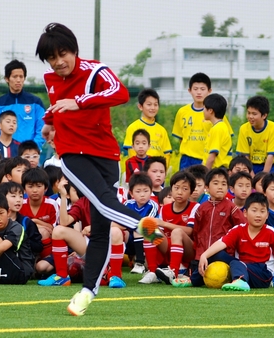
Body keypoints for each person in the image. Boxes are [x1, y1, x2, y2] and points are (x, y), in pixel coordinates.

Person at [36, 22, 162, 316]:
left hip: (106, 155)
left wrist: (77, 102)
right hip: (72, 154)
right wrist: (49, 122)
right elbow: (58, 107)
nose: (58, 62)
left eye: (62, 54)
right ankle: (145, 227)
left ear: (74, 50)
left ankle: (87, 292)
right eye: (51, 58)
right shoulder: (49, 79)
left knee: (102, 227)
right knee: (106, 204)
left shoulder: (95, 71)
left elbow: (121, 93)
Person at [199, 192, 274, 291]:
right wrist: (204, 255)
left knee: (236, 264)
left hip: (263, 274)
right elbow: (222, 243)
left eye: (262, 211)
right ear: (245, 213)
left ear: (267, 215)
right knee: (215, 254)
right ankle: (194, 280)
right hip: (242, 266)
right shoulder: (238, 229)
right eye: (254, 211)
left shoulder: (272, 233)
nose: (258, 215)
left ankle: (240, 281)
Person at [37, 180, 127, 288]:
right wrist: (63, 196)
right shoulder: (83, 202)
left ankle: (115, 276)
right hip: (91, 245)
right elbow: (64, 222)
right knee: (58, 231)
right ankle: (62, 276)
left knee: (115, 231)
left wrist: (94, 228)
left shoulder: (110, 200)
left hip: (109, 244)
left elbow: (124, 224)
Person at [190, 168, 246, 287]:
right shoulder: (201, 208)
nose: (220, 187)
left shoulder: (231, 207)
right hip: (203, 255)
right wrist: (199, 255)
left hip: (223, 254)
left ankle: (239, 271)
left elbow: (242, 228)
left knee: (217, 254)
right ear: (207, 187)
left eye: (223, 184)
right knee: (195, 281)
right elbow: (197, 233)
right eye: (215, 183)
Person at [172, 73, 234, 171]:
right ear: (189, 90)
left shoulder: (217, 115)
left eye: (202, 89)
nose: (199, 92)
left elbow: (225, 139)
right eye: (195, 89)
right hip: (187, 160)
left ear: (209, 91)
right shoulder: (182, 112)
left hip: (207, 160)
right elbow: (181, 138)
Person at [152, 171, 200, 287]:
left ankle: (173, 271)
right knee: (149, 230)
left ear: (191, 192)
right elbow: (161, 231)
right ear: (171, 189)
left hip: (188, 249)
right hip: (170, 248)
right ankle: (152, 270)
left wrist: (165, 224)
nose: (179, 192)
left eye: (185, 189)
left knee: (177, 232)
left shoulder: (195, 207)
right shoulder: (165, 208)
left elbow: (190, 231)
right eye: (176, 188)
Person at [0, 60, 46, 148]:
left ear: (24, 78)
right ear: (7, 79)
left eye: (21, 77)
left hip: (28, 153)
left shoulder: (36, 102)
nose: (18, 80)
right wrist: (1, 147)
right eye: (15, 77)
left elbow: (42, 128)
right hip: (5, 154)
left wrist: (32, 148)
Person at [124, 173, 159, 279]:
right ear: (131, 193)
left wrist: (131, 224)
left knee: (140, 227)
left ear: (151, 191)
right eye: (138, 191)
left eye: (146, 191)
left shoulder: (153, 205)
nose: (142, 195)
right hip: (131, 239)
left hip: (151, 239)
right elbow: (121, 222)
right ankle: (111, 266)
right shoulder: (127, 204)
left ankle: (140, 262)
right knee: (118, 232)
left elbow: (147, 224)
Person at [123, 89, 172, 163]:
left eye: (155, 104)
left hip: (156, 171)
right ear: (140, 106)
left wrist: (161, 170)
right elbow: (132, 152)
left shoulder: (162, 130)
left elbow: (167, 154)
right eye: (149, 104)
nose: (152, 108)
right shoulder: (133, 127)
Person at [236, 95, 274, 174]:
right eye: (248, 113)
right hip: (250, 167)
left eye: (254, 114)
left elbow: (271, 155)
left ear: (264, 115)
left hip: (270, 167)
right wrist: (252, 175)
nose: (250, 116)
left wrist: (263, 177)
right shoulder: (243, 129)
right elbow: (245, 156)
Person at [20, 167, 58, 258]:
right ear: (24, 189)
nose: (35, 190)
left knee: (43, 232)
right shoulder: (20, 204)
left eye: (39, 186)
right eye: (30, 186)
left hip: (49, 244)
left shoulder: (52, 204)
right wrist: (37, 223)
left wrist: (34, 222)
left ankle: (45, 260)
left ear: (45, 188)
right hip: (26, 242)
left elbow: (53, 229)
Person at [202, 94, 232, 170]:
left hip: (216, 170)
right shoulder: (219, 127)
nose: (203, 111)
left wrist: (205, 175)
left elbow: (212, 157)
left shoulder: (218, 129)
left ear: (210, 111)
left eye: (204, 108)